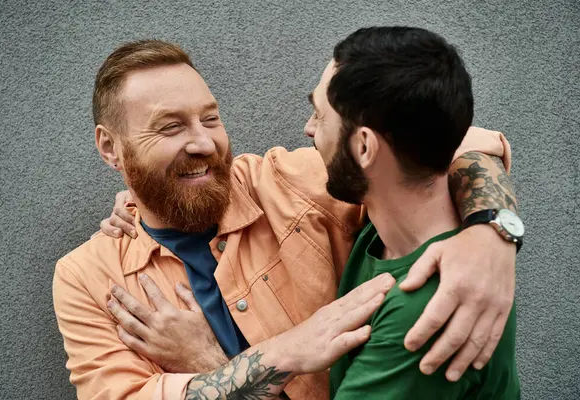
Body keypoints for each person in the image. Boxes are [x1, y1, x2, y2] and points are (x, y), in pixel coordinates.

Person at [53, 35, 519, 400]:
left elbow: (455, 144)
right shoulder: (86, 277)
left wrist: (492, 232)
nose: (203, 143)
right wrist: (284, 352)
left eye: (210, 119)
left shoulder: (284, 182)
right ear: (111, 148)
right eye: (171, 127)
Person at [303, 27, 520, 399]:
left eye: (320, 116)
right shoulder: (395, 207)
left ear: (365, 147)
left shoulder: (424, 310)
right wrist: (496, 227)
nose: (308, 129)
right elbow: (475, 141)